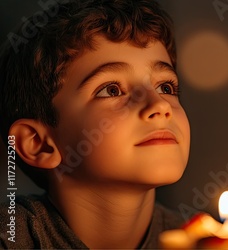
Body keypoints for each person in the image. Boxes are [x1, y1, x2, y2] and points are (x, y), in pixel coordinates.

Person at [0, 0, 190, 248]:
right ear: (39, 144)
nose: (160, 106)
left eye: (165, 87)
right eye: (112, 90)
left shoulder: (200, 240)